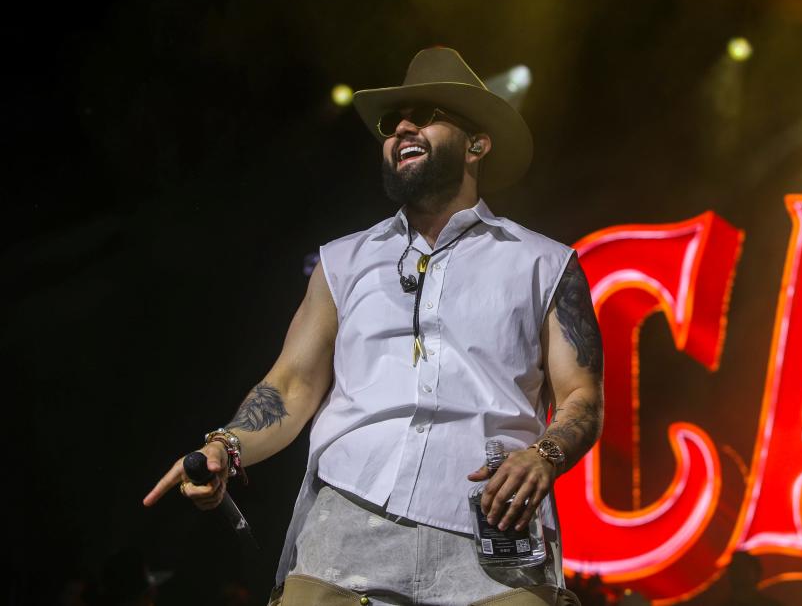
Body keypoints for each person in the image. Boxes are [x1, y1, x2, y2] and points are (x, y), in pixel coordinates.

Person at [144, 47, 604, 606]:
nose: (402, 129)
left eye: (426, 115)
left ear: (477, 144)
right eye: (393, 123)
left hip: (492, 536)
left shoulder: (545, 263)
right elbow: (292, 385)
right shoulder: (343, 262)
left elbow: (581, 395)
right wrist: (227, 444)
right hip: (347, 529)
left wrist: (544, 454)